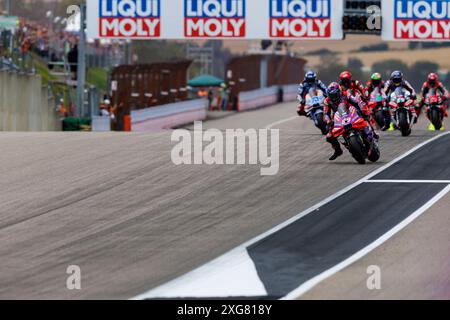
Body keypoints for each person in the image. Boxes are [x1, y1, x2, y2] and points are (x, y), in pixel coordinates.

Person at [324, 83, 376, 161]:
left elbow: (356, 102)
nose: (333, 98)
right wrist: (328, 120)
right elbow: (326, 114)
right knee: (329, 136)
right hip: (338, 117)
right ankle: (338, 151)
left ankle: (370, 136)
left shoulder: (346, 94)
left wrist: (363, 111)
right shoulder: (327, 101)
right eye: (331, 96)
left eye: (335, 95)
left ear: (339, 92)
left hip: (350, 112)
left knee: (364, 119)